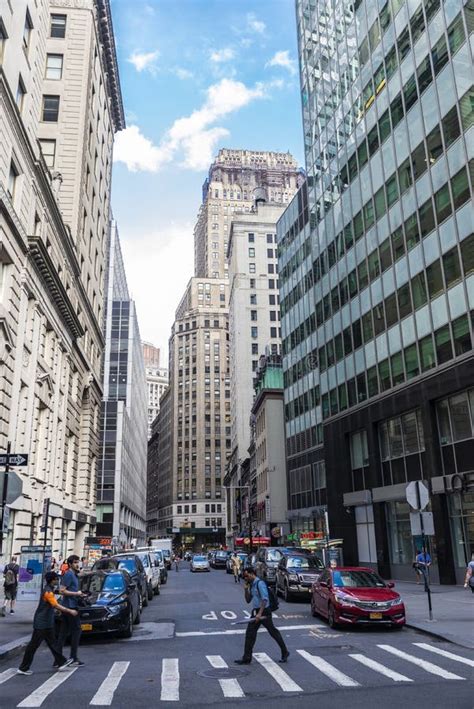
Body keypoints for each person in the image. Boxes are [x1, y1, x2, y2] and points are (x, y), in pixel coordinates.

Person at [17, 571, 76, 675]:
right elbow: (55, 605)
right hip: (41, 623)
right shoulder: (48, 592)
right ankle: (23, 668)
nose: (57, 581)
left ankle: (61, 662)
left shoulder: (50, 589)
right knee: (33, 645)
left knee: (53, 643)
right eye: (56, 579)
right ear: (52, 580)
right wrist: (70, 611)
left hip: (47, 622)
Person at [235, 567, 289, 665]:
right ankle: (247, 658)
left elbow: (265, 599)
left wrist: (260, 614)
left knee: (273, 632)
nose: (245, 578)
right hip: (255, 612)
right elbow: (248, 600)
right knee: (250, 634)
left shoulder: (260, 584)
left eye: (246, 576)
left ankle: (285, 652)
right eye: (244, 577)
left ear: (252, 574)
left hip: (264, 612)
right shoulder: (252, 585)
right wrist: (246, 589)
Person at [56, 555, 86, 667]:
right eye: (75, 562)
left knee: (63, 633)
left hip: (71, 605)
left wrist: (80, 594)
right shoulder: (69, 574)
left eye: (78, 562)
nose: (77, 564)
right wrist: (76, 594)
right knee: (76, 630)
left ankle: (58, 659)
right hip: (70, 607)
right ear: (70, 564)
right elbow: (62, 591)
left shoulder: (74, 575)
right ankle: (73, 657)